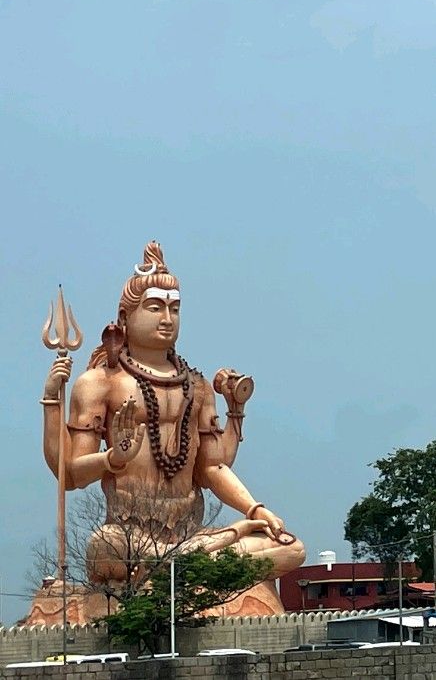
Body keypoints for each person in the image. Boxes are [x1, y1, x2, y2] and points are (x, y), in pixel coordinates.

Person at [40, 242, 304, 603]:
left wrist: (254, 509)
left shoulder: (196, 385)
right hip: (129, 536)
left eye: (174, 308)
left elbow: (213, 467)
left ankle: (184, 568)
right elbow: (69, 475)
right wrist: (106, 455)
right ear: (125, 317)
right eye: (155, 306)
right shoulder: (100, 382)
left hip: (190, 531)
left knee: (290, 548)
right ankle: (201, 571)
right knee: (105, 546)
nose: (167, 318)